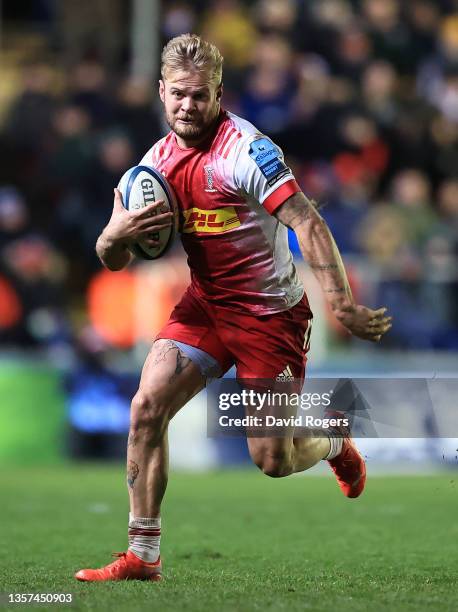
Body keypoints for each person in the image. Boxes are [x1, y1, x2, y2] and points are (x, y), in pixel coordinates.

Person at [75, 34, 391, 582]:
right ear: (161, 91)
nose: (186, 106)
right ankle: (143, 556)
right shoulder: (153, 169)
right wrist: (115, 232)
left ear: (218, 93)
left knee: (272, 460)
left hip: (270, 316)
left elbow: (307, 221)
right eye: (177, 94)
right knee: (147, 406)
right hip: (206, 306)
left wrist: (341, 303)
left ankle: (334, 437)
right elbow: (113, 259)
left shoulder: (244, 151)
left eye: (199, 96)